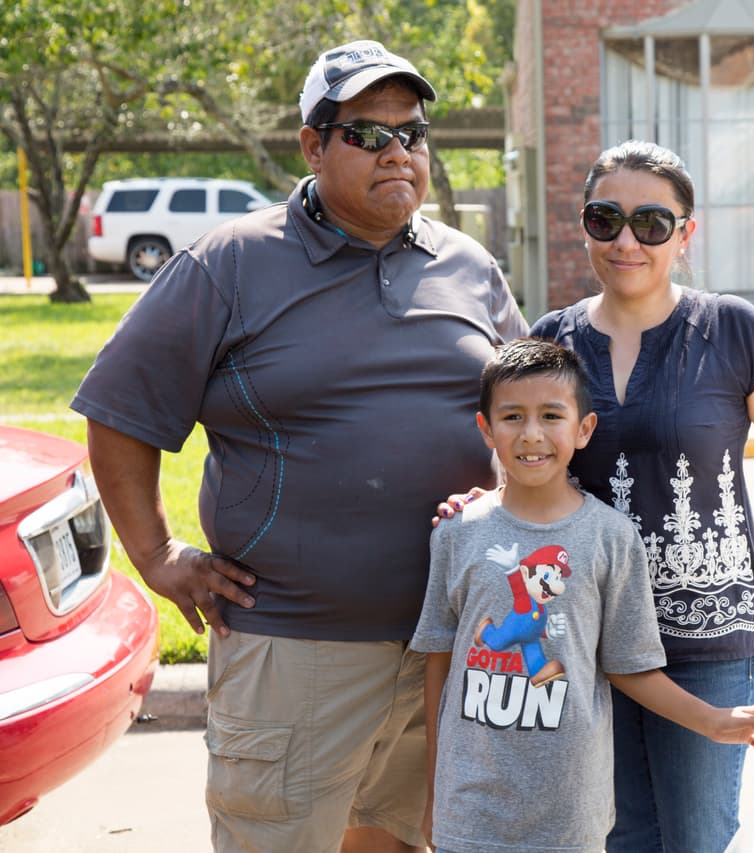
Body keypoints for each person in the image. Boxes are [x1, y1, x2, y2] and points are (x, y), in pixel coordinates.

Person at [70, 39, 527, 853]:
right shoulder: (231, 264)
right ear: (312, 146)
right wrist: (157, 552)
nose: (399, 152)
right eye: (368, 134)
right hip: (296, 648)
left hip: (447, 639)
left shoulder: (468, 266)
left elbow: (528, 413)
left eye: (413, 133)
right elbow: (121, 411)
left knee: (398, 839)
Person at [436, 139, 754, 851]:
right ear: (584, 224)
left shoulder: (734, 331)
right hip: (581, 630)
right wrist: (481, 504)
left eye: (652, 223)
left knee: (695, 836)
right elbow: (532, 462)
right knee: (612, 835)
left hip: (706, 632)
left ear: (687, 234)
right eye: (606, 218)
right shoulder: (551, 338)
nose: (627, 240)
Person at [412, 338, 754, 853]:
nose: (532, 434)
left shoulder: (611, 539)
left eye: (551, 415)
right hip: (470, 813)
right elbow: (439, 663)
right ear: (486, 428)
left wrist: (712, 720)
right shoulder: (456, 533)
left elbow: (629, 665)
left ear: (583, 429)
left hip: (570, 817)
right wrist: (434, 794)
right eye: (512, 417)